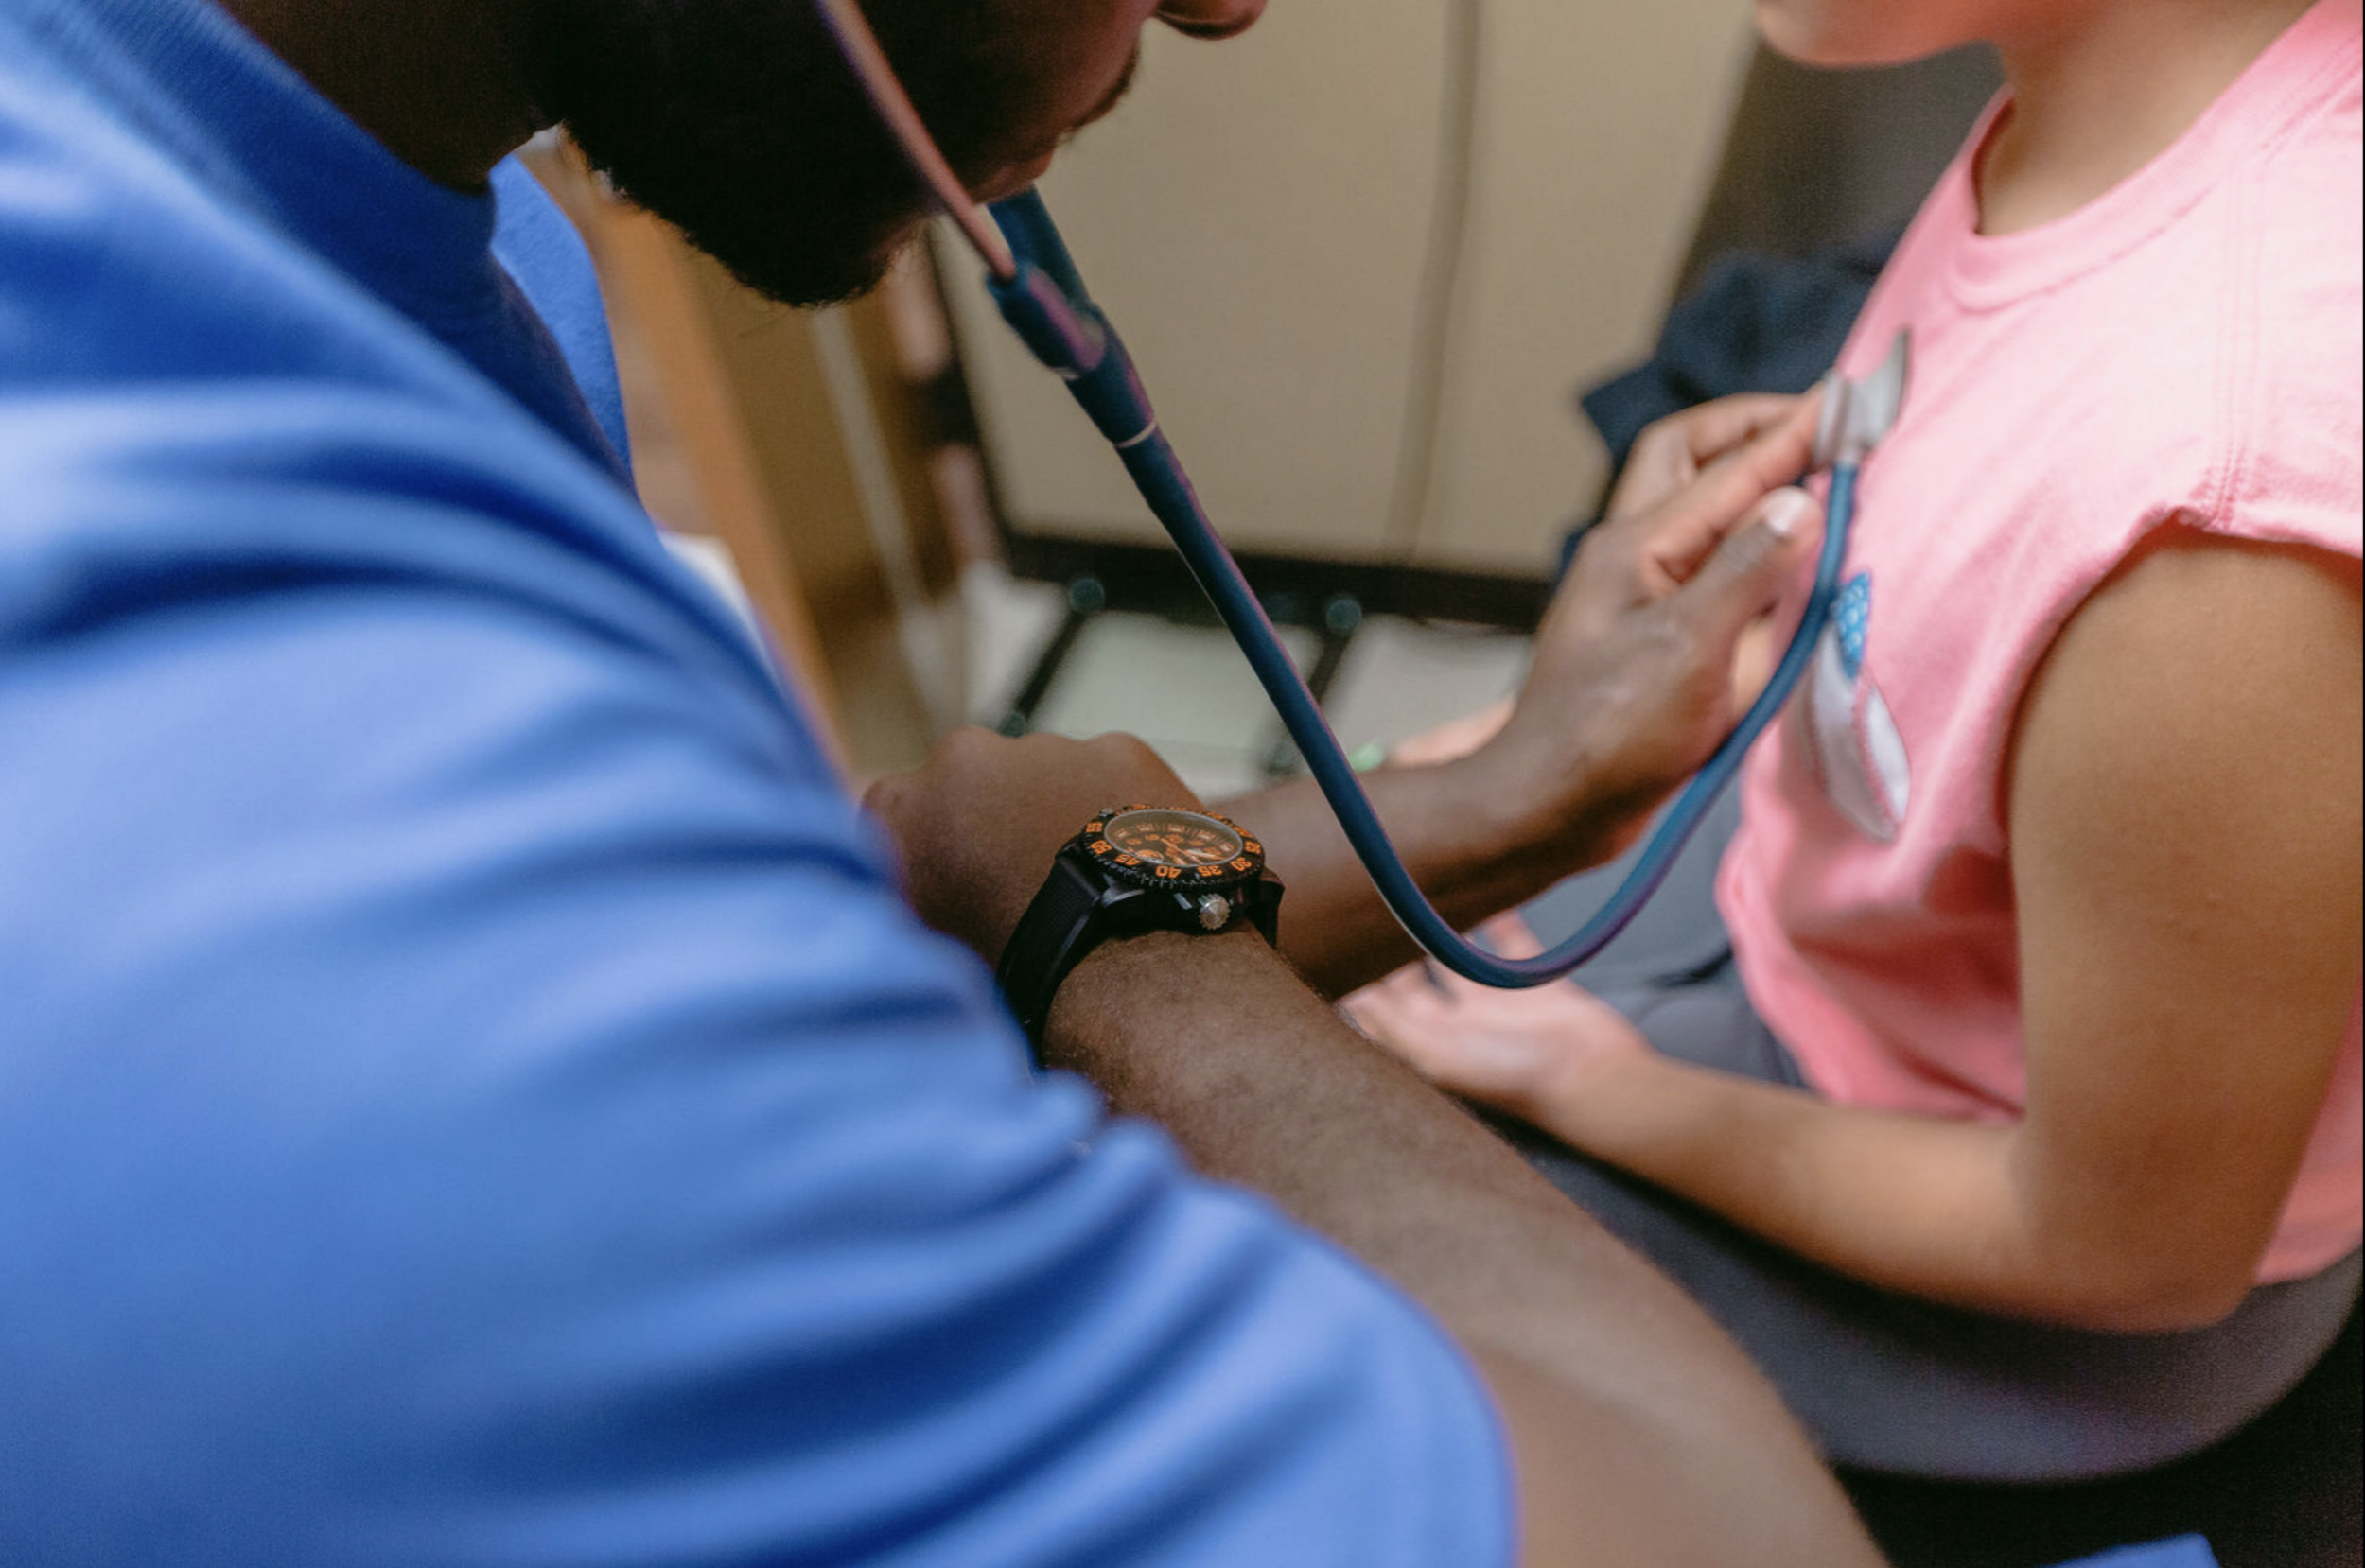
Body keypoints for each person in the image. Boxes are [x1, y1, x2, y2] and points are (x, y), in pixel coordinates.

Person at [0, 0, 1891, 1562]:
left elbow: (771, 974)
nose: (1225, 9)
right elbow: (1723, 1533)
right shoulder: (276, 816)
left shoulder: (411, 226)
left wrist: (1512, 798)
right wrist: (1154, 943)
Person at [1348, 0, 2363, 1484]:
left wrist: (1598, 1085)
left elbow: (2130, 1249)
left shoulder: (2221, 506)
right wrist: (1573, 735)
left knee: (1317, 1240)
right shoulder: (2098, 107)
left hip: (2045, 1280)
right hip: (1829, 918)